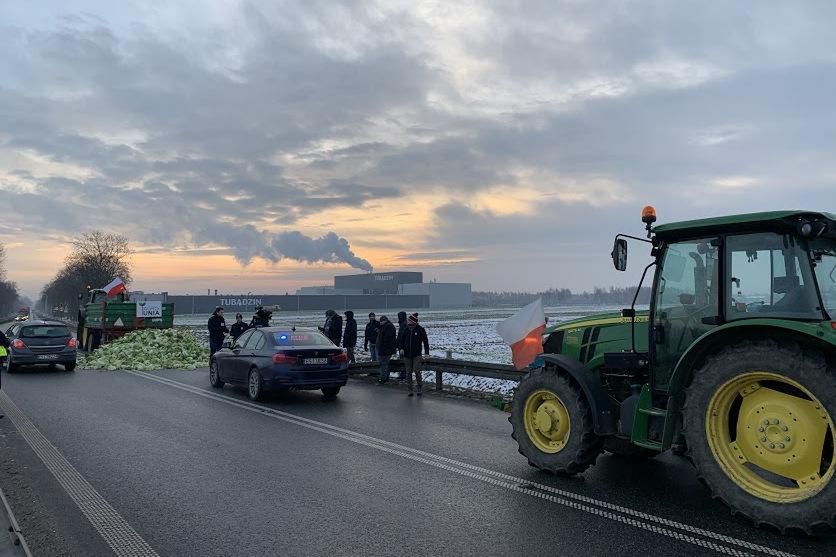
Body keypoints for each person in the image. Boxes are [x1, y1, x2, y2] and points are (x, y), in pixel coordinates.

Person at [398, 312, 429, 396]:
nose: (407, 321)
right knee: (408, 372)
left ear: (413, 321)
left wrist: (426, 353)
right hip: (407, 355)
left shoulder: (420, 329)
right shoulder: (406, 329)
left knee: (416, 370)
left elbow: (425, 342)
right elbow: (401, 341)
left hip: (417, 355)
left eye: (409, 320)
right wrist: (401, 349)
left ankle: (419, 388)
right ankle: (410, 390)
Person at [376, 315, 397, 384]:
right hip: (385, 349)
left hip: (385, 349)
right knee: (384, 364)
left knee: (383, 364)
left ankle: (383, 379)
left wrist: (382, 346)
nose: (380, 323)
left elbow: (386, 339)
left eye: (381, 321)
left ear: (384, 321)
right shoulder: (386, 326)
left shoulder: (388, 327)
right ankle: (385, 378)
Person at [396, 311, 408, 379]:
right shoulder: (403, 324)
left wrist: (399, 345)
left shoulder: (403, 325)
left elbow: (401, 336)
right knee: (403, 360)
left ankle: (403, 374)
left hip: (403, 346)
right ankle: (403, 374)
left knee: (403, 360)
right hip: (402, 346)